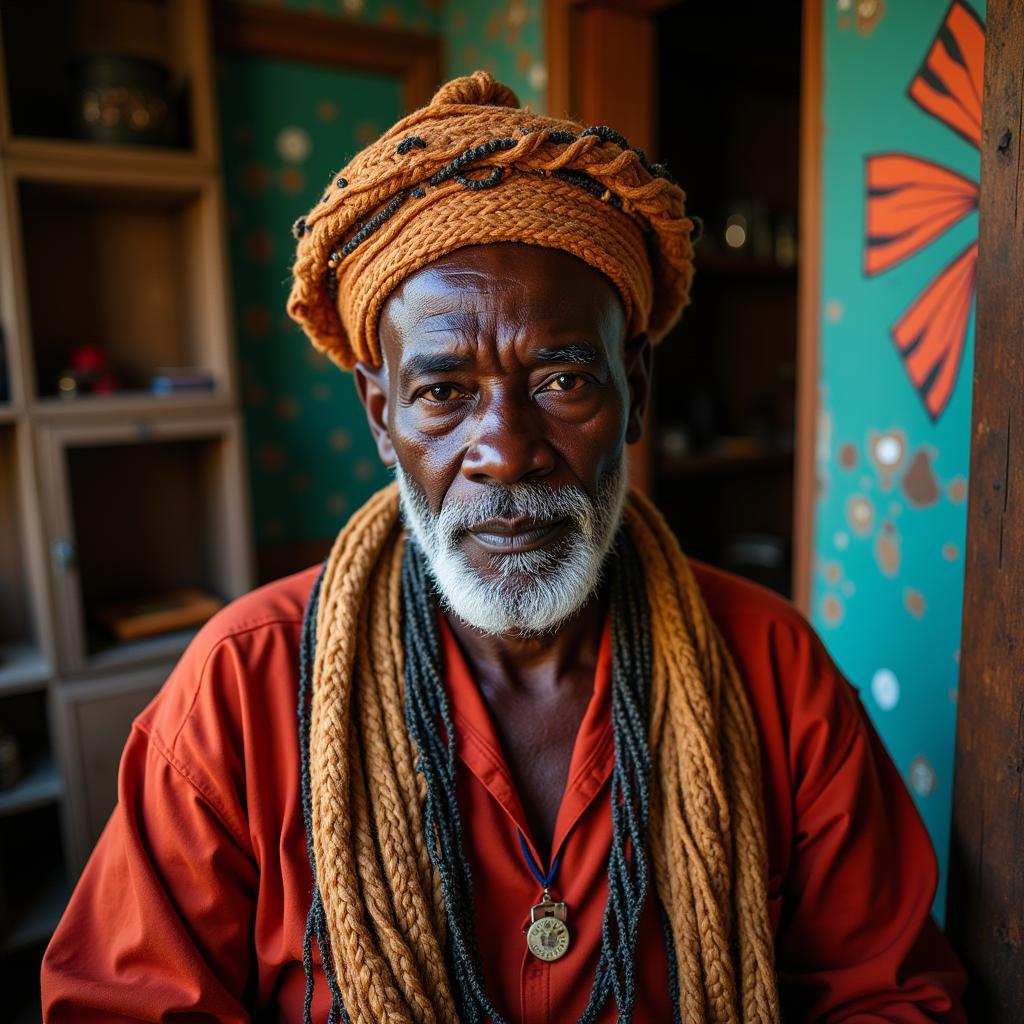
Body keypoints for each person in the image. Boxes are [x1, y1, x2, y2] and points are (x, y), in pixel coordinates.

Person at [41, 71, 966, 1023]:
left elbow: (888, 997)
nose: (507, 453)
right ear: (379, 413)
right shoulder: (243, 688)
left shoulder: (774, 672)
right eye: (443, 394)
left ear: (635, 392)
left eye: (565, 380)